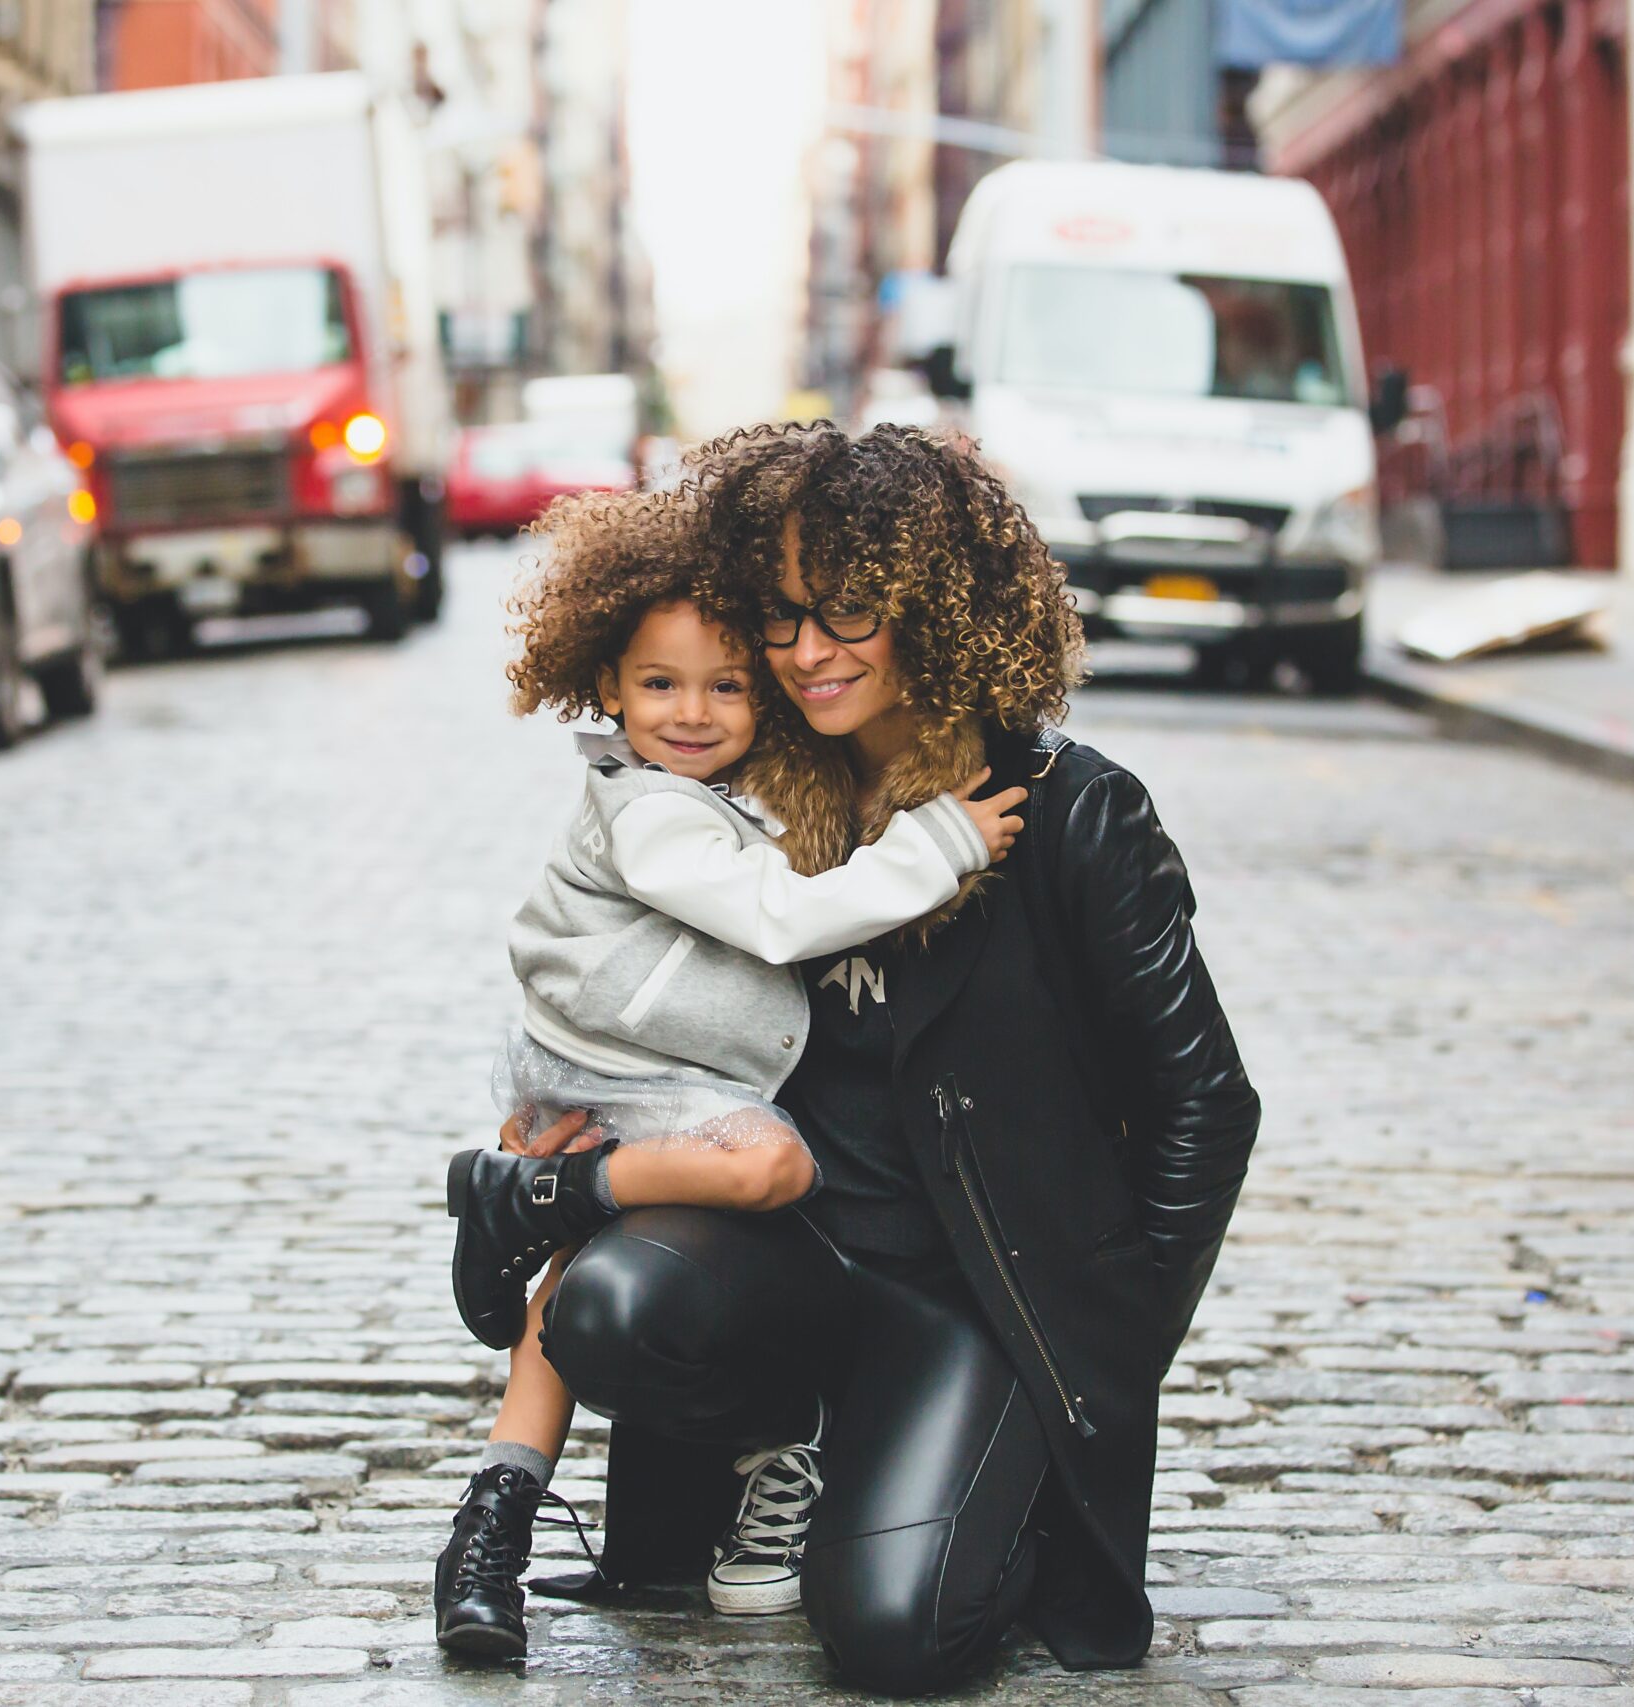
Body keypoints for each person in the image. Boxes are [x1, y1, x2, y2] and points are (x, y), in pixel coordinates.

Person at [527, 422, 1263, 1695]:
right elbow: (612, 982)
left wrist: (1101, 1352)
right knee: (611, 1311)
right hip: (793, 1260)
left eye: (850, 613)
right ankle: (796, 1451)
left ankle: (973, 1481)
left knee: (892, 1636)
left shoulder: (1072, 814)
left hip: (974, 1298)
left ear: (937, 606)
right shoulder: (749, 793)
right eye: (782, 616)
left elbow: (1206, 1103)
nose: (807, 653)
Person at [434, 485, 1029, 1658]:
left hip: (619, 1065)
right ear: (607, 686)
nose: (695, 712)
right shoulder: (649, 811)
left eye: (726, 685)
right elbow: (775, 918)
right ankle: (545, 1205)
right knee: (768, 1162)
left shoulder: (719, 791)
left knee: (570, 1276)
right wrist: (943, 843)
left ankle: (489, 1519)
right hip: (629, 1067)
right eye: (661, 686)